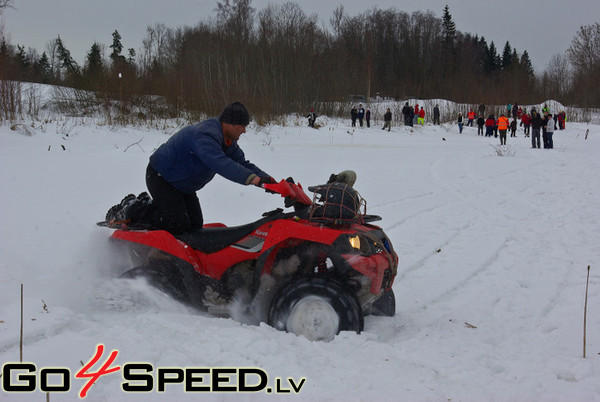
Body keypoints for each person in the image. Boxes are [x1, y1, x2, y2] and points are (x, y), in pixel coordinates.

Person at [146, 101, 274, 234]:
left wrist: (271, 181)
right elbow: (220, 163)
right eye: (242, 126)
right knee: (178, 224)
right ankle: (136, 210)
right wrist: (254, 180)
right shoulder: (205, 135)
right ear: (230, 123)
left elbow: (243, 163)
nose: (244, 130)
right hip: (162, 177)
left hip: (183, 184)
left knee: (195, 226)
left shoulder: (227, 141)